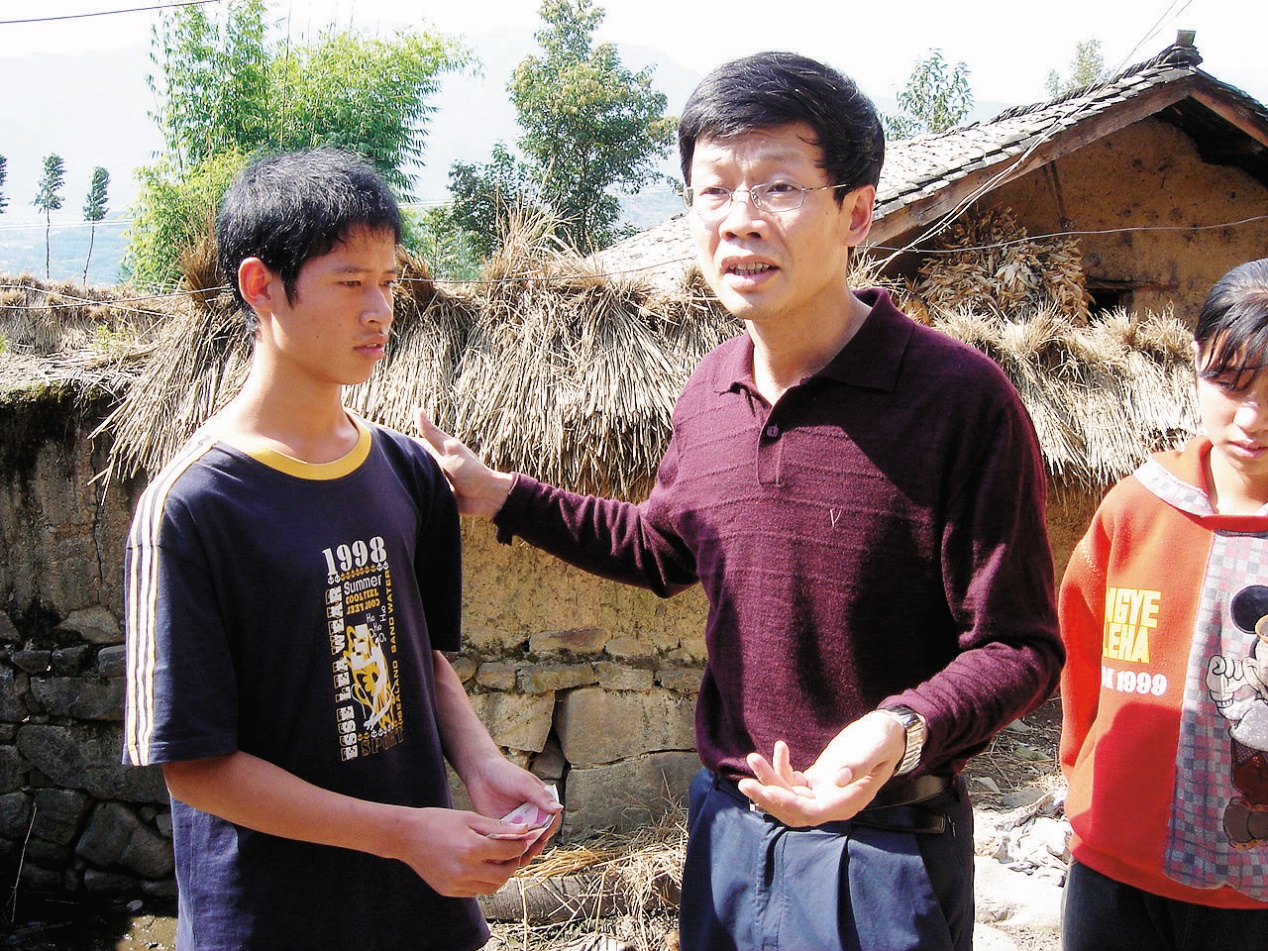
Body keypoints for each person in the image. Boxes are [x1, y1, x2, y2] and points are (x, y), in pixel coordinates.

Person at [418, 52, 1062, 951]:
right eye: (713, 191)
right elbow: (661, 548)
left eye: (778, 187)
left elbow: (1019, 643)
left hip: (881, 846)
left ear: (857, 212)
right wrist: (503, 497)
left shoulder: (959, 400)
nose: (740, 222)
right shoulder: (709, 388)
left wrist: (900, 727)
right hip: (728, 831)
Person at [122, 149, 559, 951]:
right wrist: (405, 833)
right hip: (269, 923)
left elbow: (415, 655)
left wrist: (484, 763)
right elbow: (193, 764)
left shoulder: (404, 471)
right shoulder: (190, 507)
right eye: (350, 282)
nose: (380, 310)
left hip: (420, 916)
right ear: (260, 286)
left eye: (389, 281)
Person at [1059, 259, 1268, 950]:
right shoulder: (1138, 507)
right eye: (1228, 382)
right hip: (1117, 869)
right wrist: (1083, 788)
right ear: (1196, 365)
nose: (1250, 417)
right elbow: (1079, 659)